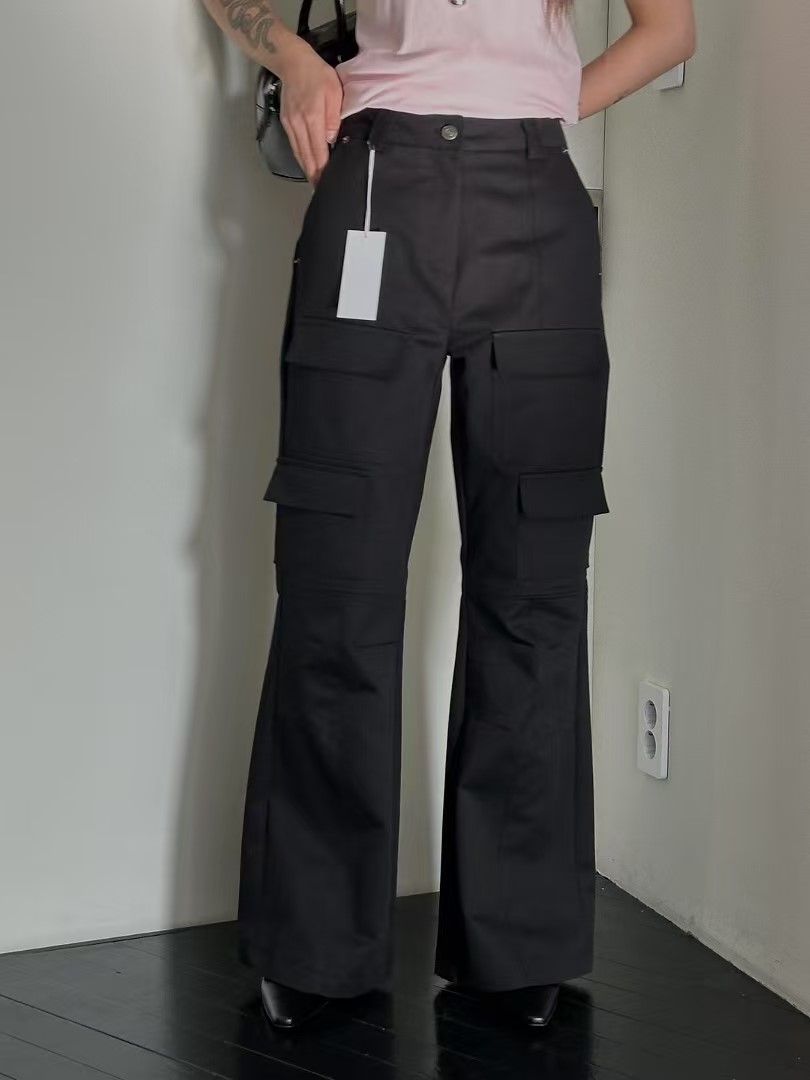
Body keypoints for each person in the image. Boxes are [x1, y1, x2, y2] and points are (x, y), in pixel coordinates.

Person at [200, 0, 696, 1031]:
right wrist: (295, 59)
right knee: (337, 579)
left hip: (537, 202)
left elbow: (670, 29)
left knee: (534, 584)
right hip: (376, 184)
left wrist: (539, 110)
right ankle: (316, 944)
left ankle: (519, 943)